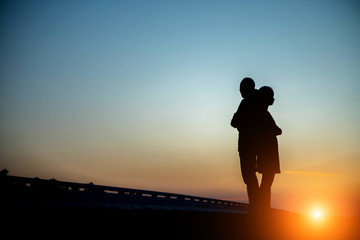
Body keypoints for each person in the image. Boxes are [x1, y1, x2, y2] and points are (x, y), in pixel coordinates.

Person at [231, 77, 260, 213]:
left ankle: (255, 207)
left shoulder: (246, 102)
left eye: (242, 90)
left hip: (247, 145)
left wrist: (240, 121)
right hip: (255, 144)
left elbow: (234, 122)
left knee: (249, 177)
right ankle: (256, 206)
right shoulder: (259, 102)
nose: (240, 93)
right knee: (251, 177)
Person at [256, 86, 282, 214]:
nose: (273, 99)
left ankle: (263, 208)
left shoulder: (264, 113)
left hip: (267, 153)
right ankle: (263, 208)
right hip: (268, 154)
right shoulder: (264, 114)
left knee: (266, 182)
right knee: (267, 183)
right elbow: (277, 130)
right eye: (271, 96)